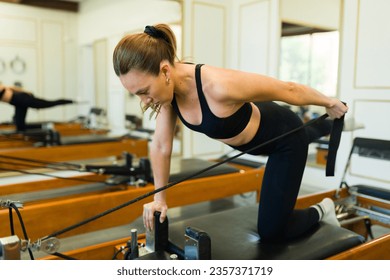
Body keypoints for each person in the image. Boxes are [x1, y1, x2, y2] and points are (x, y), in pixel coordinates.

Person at [113, 24, 348, 243]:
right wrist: (159, 199)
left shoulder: (218, 85)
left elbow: (289, 89)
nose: (144, 101)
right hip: (254, 141)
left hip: (283, 139)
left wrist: (328, 102)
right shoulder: (167, 94)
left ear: (164, 70)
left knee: (272, 232)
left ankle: (324, 209)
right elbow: (161, 146)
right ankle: (332, 125)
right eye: (137, 95)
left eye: (144, 91)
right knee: (309, 131)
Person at [0, 85, 74, 131]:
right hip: (19, 103)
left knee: (48, 103)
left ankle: (70, 101)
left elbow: (12, 88)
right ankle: (44, 126)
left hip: (23, 99)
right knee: (20, 126)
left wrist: (27, 92)